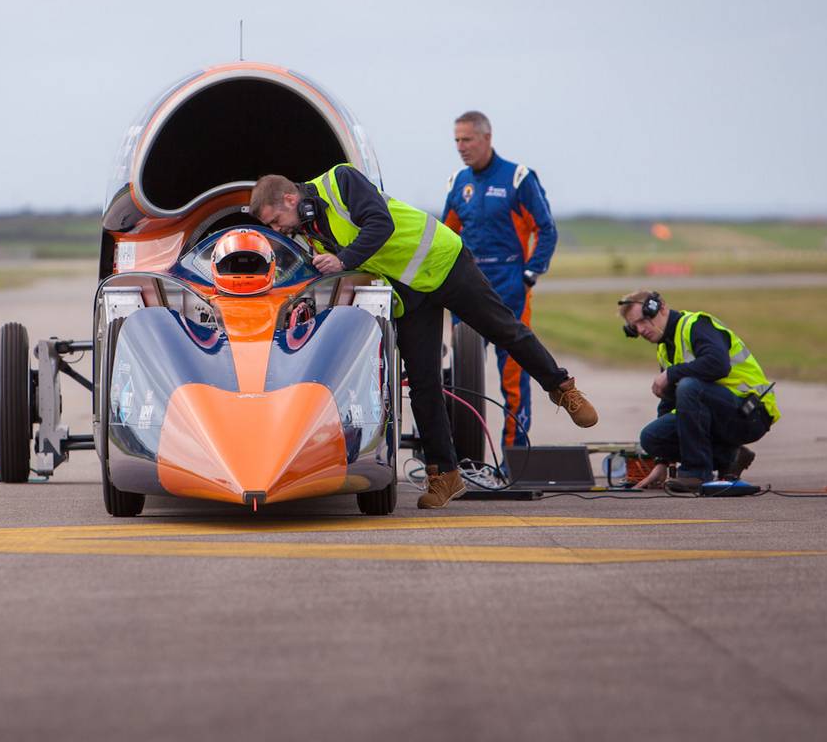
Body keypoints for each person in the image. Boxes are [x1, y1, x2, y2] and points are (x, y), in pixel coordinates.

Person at [249, 165, 598, 509]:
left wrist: (344, 260)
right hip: (410, 293)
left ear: (291, 198)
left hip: (444, 264)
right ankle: (445, 475)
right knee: (423, 383)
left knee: (505, 330)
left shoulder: (340, 181)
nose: (278, 228)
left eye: (276, 219)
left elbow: (380, 224)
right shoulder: (309, 229)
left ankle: (562, 388)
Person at [441, 110, 558, 451]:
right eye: (457, 141)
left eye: (468, 139)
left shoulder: (518, 178)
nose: (462, 147)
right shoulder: (457, 183)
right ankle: (468, 458)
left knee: (514, 379)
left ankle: (514, 458)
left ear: (487, 138)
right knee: (464, 377)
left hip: (510, 289)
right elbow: (445, 237)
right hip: (468, 290)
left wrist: (530, 273)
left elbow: (546, 229)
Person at [617, 290, 778, 493]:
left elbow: (718, 365)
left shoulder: (696, 325)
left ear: (662, 307)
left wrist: (671, 374)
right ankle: (728, 457)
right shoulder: (665, 348)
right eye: (634, 326)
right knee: (652, 437)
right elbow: (669, 402)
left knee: (689, 387)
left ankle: (696, 473)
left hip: (750, 412)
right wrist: (662, 462)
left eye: (644, 320)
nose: (641, 329)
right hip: (720, 414)